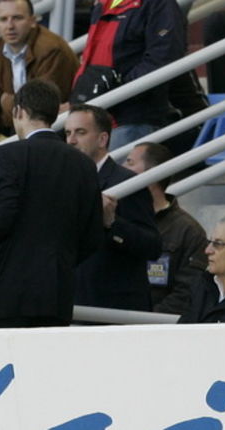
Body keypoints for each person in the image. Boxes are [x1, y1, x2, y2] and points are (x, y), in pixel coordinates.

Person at [0, 80, 103, 328]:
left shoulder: (9, 154)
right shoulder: (84, 164)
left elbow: (0, 219)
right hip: (58, 292)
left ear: (19, 111)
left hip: (10, 290)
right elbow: (93, 234)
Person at [65, 104, 161, 312]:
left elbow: (152, 246)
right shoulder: (63, 182)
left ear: (102, 139)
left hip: (114, 307)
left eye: (80, 132)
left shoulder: (127, 182)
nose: (71, 140)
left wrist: (112, 224)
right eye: (68, 133)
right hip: (71, 305)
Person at [73, 0, 186, 151]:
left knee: (119, 167)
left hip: (133, 119)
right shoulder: (104, 3)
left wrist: (118, 90)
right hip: (99, 117)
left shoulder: (159, 4)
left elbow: (163, 58)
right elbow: (91, 60)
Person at [124, 142, 208, 315]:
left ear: (153, 175)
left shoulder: (188, 231)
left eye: (130, 163)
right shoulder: (115, 219)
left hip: (153, 325)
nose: (122, 169)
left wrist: (144, 322)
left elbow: (187, 293)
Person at [0, 0, 79, 128]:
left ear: (33, 21)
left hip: (55, 127)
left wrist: (4, 100)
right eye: (3, 19)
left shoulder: (51, 49)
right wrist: (21, 106)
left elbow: (42, 107)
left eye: (17, 18)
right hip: (13, 126)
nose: (10, 26)